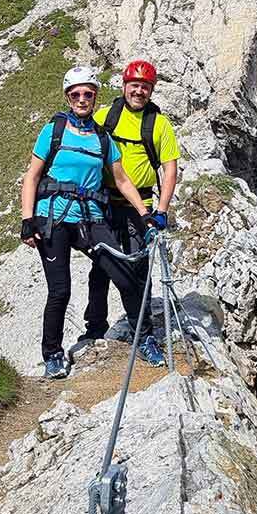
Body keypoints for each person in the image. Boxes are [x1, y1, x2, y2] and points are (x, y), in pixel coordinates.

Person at [20, 66, 165, 378]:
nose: (82, 99)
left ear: (95, 97)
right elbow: (31, 176)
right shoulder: (53, 130)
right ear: (68, 98)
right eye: (76, 94)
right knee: (60, 291)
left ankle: (145, 337)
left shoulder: (102, 137)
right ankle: (53, 356)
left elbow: (122, 180)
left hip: (90, 219)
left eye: (88, 93)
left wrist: (145, 214)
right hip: (54, 218)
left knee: (126, 277)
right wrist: (27, 220)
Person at [81, 59, 180, 363]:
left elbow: (170, 168)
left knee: (139, 270)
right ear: (124, 86)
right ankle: (95, 327)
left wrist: (161, 211)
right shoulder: (104, 116)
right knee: (101, 266)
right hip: (104, 203)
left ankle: (145, 335)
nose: (139, 91)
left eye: (145, 87)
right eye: (134, 85)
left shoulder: (159, 125)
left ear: (151, 91)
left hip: (142, 207)